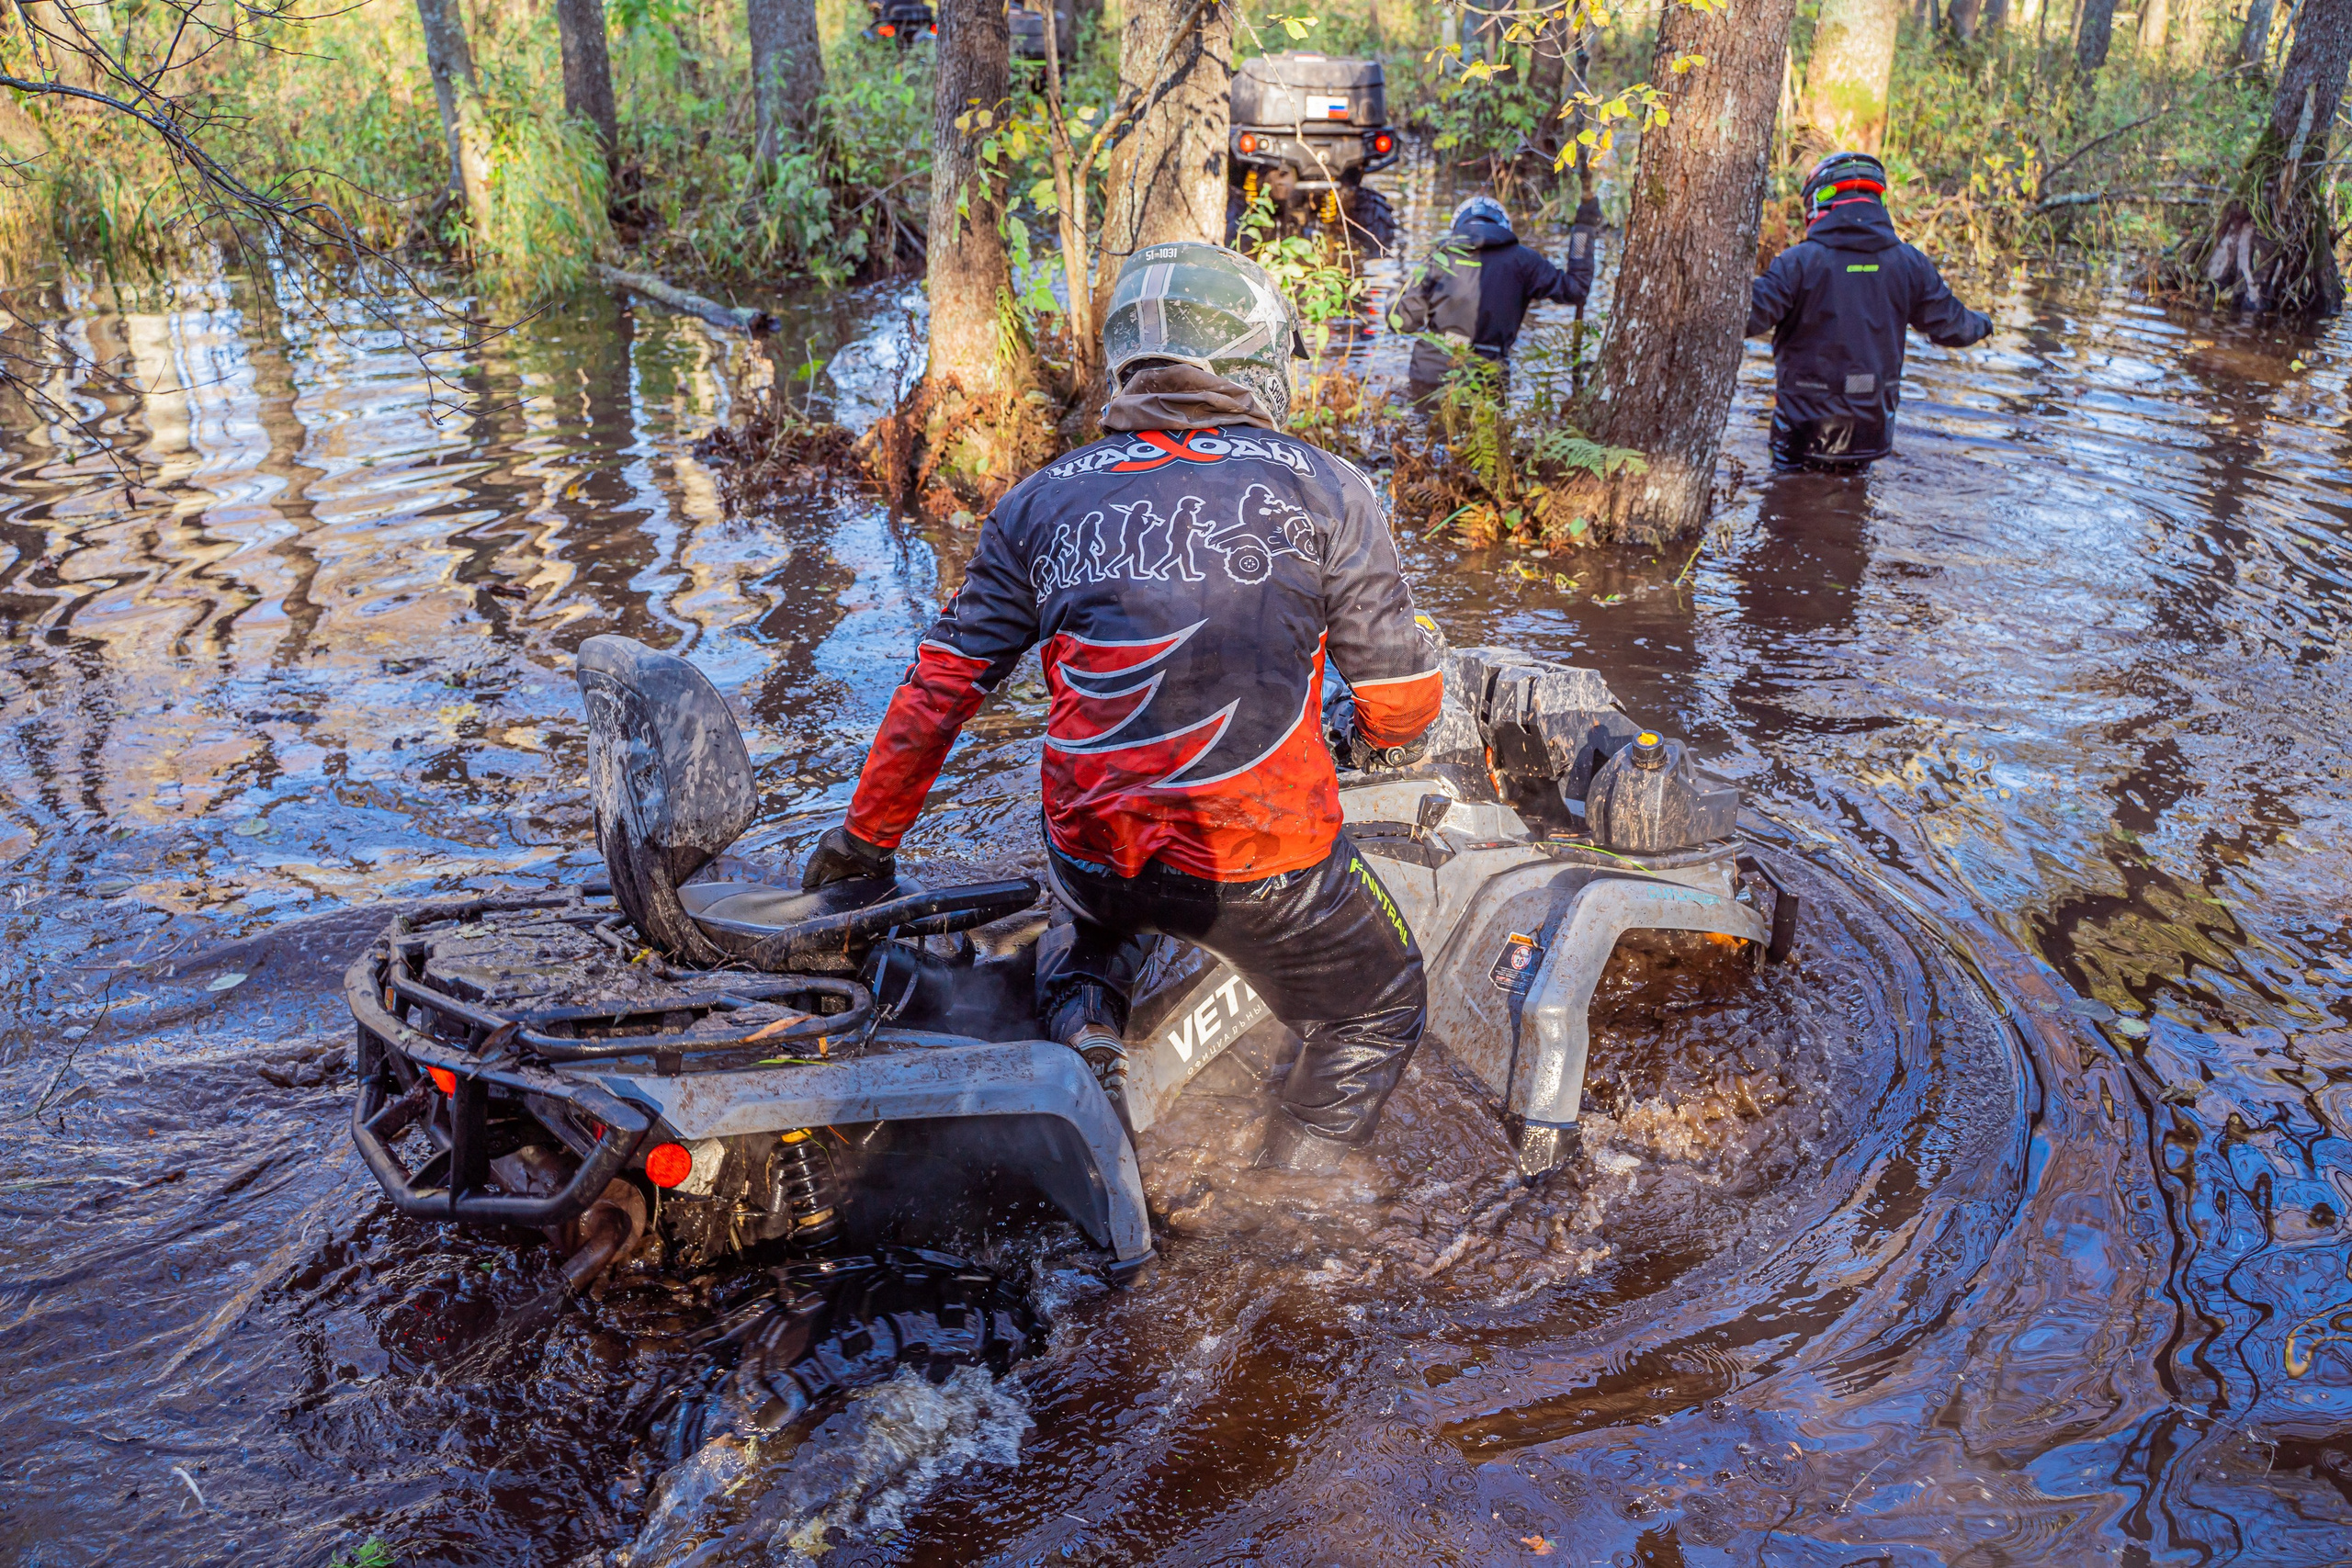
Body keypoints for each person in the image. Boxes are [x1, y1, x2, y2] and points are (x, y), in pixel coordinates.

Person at [802, 242, 1445, 1173]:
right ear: (1256, 355)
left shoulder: (1035, 502)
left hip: (1098, 855)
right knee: (1377, 1007)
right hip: (1261, 869)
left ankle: (1088, 1037)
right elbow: (1397, 700)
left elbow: (938, 693)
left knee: (1090, 911)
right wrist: (1372, 738)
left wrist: (861, 848)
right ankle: (1291, 1192)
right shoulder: (1328, 486)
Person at [1747, 151, 1994, 470]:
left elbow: (1745, 317)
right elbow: (1955, 328)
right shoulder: (1909, 264)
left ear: (1817, 202)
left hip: (1801, 436)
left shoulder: (1798, 263)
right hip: (1871, 434)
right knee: (1853, 510)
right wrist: (1986, 323)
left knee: (1789, 509)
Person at [1385, 194, 1601, 393]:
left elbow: (1403, 321)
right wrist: (1584, 228)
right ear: (1503, 227)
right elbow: (1576, 290)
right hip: (1488, 375)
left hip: (1431, 373)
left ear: (1458, 228)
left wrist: (1394, 295)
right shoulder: (1524, 261)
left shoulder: (1439, 257)